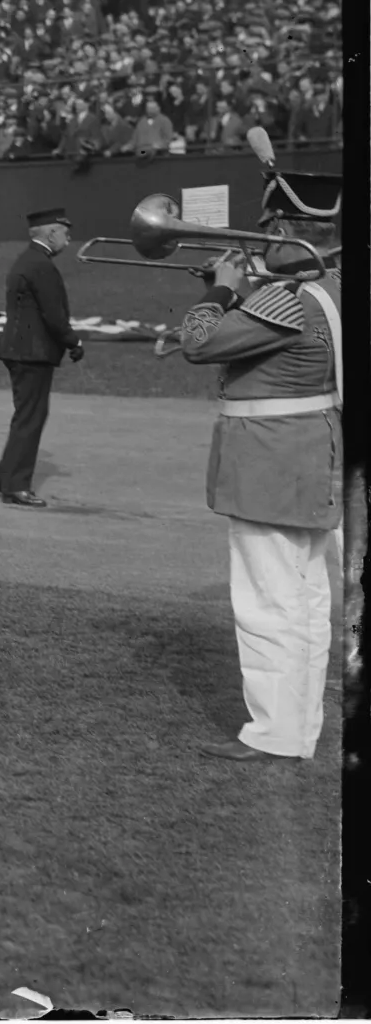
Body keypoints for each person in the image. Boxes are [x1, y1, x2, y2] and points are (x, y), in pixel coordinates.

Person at [178, 168, 343, 762]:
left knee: (267, 601)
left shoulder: (289, 299)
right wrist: (247, 293)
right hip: (318, 450)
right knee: (306, 599)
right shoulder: (338, 285)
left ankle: (275, 732)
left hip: (270, 455)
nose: (258, 237)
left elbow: (198, 342)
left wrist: (219, 291)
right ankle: (300, 728)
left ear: (280, 227)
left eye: (264, 227)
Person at [0, 208, 84, 507]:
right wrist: (73, 341)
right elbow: (53, 314)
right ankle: (16, 486)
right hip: (32, 353)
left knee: (26, 416)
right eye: (65, 234)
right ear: (51, 232)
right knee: (31, 418)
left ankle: (5, 478)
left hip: (21, 350)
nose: (67, 242)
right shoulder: (40, 265)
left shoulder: (28, 260)